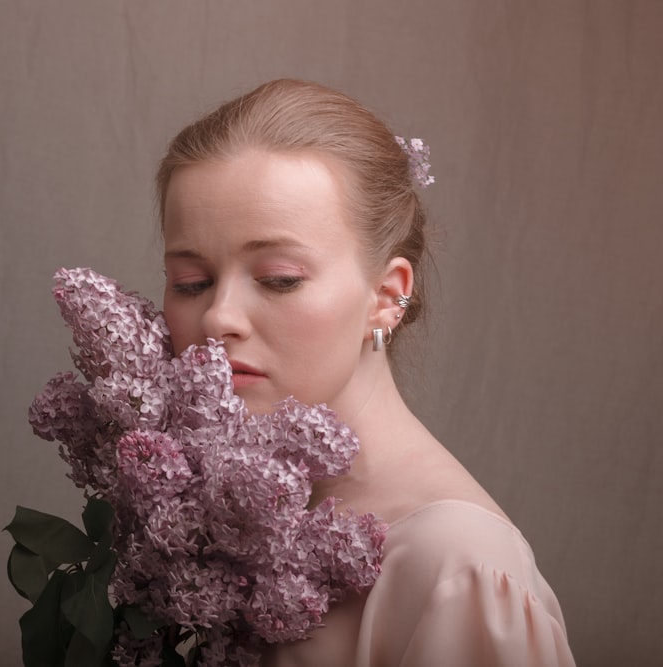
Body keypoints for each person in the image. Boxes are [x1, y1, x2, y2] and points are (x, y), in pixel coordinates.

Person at [156, 79, 575, 666]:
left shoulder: (457, 566)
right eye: (190, 283)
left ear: (386, 297)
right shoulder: (206, 517)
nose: (218, 316)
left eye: (279, 278)